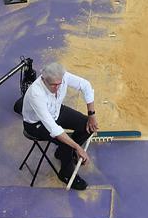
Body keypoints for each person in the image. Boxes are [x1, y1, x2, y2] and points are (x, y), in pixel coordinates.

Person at [21, 60, 98, 190]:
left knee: (87, 125)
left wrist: (92, 115)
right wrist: (77, 147)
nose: (57, 88)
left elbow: (85, 85)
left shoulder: (62, 77)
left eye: (59, 84)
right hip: (36, 124)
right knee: (66, 143)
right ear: (43, 80)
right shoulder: (36, 93)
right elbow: (53, 129)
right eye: (53, 85)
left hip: (55, 111)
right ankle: (65, 174)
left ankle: (62, 153)